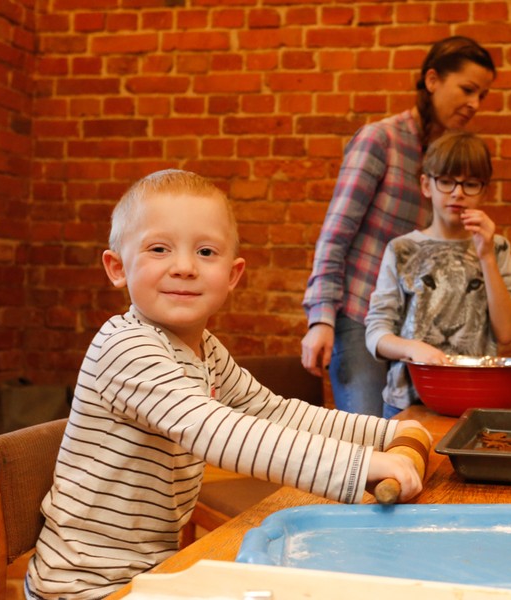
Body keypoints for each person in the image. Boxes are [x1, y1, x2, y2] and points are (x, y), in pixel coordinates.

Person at [25, 170, 428, 600]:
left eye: (205, 251)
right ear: (117, 267)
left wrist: (387, 432)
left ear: (233, 275)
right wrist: (360, 466)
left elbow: (273, 411)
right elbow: (217, 431)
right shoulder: (126, 346)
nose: (184, 267)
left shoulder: (207, 351)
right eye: (159, 249)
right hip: (85, 587)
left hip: (152, 572)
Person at [301, 36, 496, 416]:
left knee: (409, 437)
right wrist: (320, 319)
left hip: (411, 330)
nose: (475, 104)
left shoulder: (445, 161)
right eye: (468, 89)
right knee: (365, 434)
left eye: (482, 95)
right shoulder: (381, 140)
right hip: (358, 316)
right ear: (433, 80)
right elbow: (335, 235)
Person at [364, 131, 511, 417]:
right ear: (426, 185)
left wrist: (486, 256)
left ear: (484, 191)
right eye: (446, 181)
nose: (457, 193)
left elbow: (508, 331)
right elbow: (376, 333)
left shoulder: (497, 248)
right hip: (406, 401)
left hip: (475, 402)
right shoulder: (401, 249)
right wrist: (412, 348)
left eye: (470, 184)